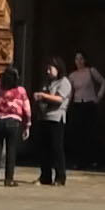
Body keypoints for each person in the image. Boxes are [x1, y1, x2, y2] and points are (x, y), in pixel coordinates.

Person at [0, 63, 32, 188]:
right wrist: (27, 125)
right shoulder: (20, 91)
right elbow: (27, 109)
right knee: (11, 150)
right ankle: (9, 180)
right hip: (13, 122)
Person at [30, 57, 72, 189]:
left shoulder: (64, 82)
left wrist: (43, 96)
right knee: (44, 148)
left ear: (58, 68)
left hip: (56, 118)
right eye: (47, 68)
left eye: (50, 68)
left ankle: (60, 176)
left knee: (56, 148)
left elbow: (59, 99)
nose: (48, 71)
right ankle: (45, 176)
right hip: (44, 117)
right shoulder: (48, 82)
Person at [67, 48, 105, 174]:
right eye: (76, 59)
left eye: (81, 58)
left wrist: (99, 96)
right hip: (78, 104)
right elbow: (70, 93)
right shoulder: (72, 75)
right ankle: (79, 161)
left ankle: (93, 159)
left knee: (90, 132)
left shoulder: (91, 71)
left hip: (90, 104)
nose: (78, 61)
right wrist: (66, 106)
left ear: (85, 60)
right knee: (78, 133)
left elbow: (103, 82)